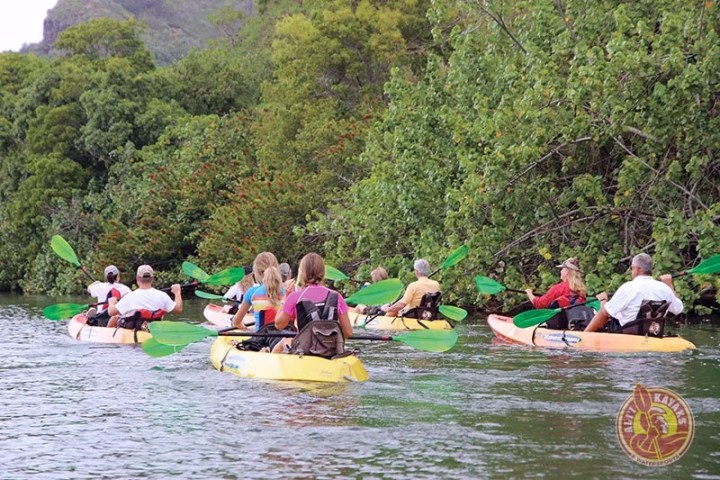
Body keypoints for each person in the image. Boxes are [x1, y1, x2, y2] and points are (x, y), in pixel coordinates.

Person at [273, 253, 353, 357]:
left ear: (302, 273)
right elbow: (348, 332)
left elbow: (279, 325)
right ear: (323, 273)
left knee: (284, 341)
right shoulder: (336, 296)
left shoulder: (295, 296)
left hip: (303, 349)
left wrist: (285, 299)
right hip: (330, 350)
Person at [584, 253, 684, 334]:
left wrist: (603, 300)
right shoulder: (664, 288)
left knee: (604, 311)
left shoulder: (628, 287)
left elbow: (606, 313)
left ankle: (585, 335)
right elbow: (678, 309)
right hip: (653, 332)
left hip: (628, 333)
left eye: (632, 268)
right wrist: (670, 285)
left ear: (636, 269)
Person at [106, 265, 183, 330]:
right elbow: (178, 309)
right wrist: (177, 292)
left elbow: (111, 312)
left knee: (116, 317)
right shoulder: (162, 296)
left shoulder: (130, 297)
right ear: (152, 279)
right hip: (152, 331)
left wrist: (112, 303)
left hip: (133, 336)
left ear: (137, 279)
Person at [231, 252, 284, 332]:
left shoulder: (252, 292)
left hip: (261, 339)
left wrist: (246, 329)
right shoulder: (288, 290)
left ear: (257, 273)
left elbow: (236, 322)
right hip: (283, 337)